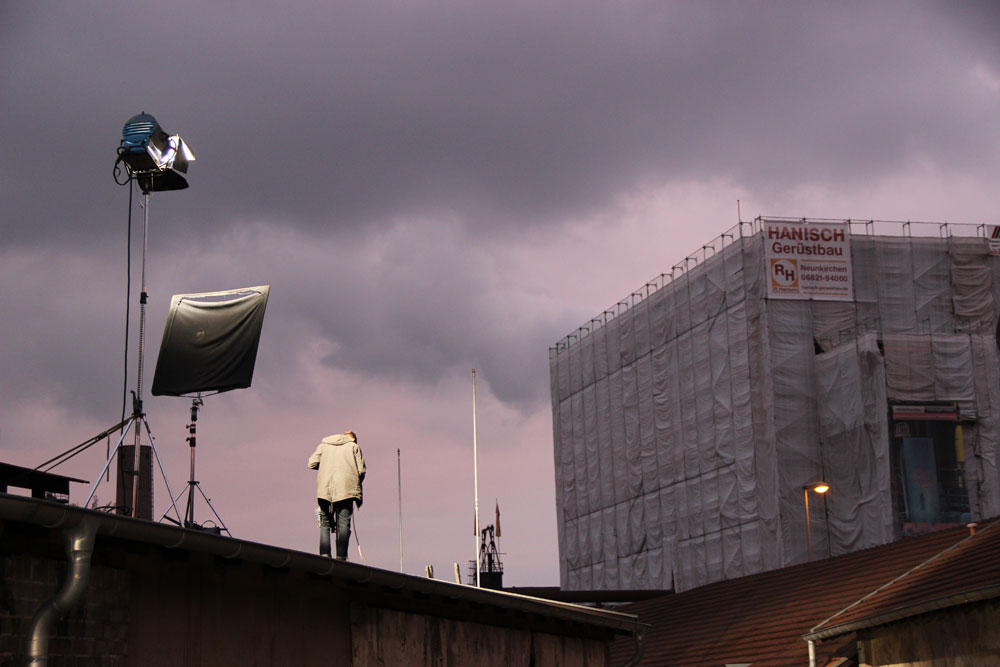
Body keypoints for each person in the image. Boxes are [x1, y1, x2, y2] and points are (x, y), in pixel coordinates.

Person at [307, 430, 365, 560]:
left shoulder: (323, 445)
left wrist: (326, 467)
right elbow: (361, 471)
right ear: (354, 440)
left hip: (325, 490)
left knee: (325, 523)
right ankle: (341, 558)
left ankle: (325, 556)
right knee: (344, 523)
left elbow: (311, 463)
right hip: (346, 490)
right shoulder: (354, 447)